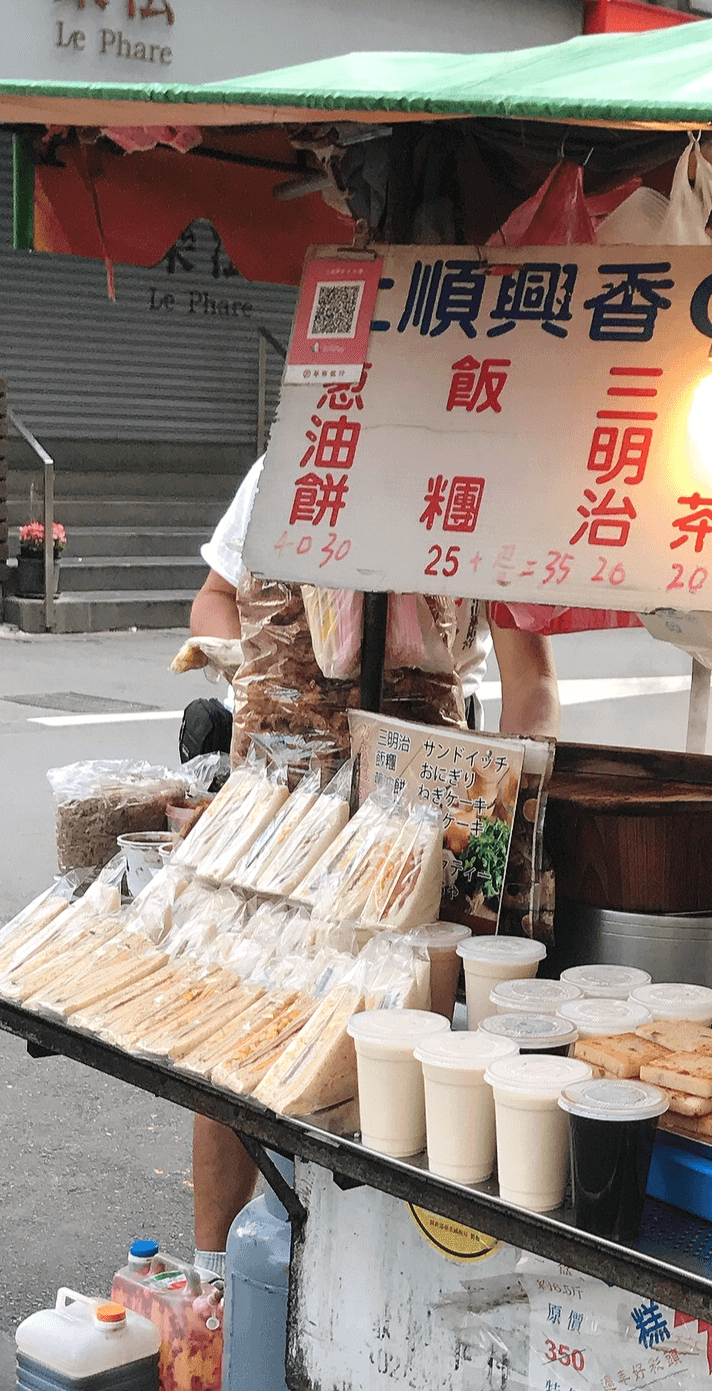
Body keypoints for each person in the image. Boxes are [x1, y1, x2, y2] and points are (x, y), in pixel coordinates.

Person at [181, 457, 561, 1259]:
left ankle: (357, 1269)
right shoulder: (287, 469)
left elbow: (532, 682)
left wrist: (511, 806)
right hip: (279, 779)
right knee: (235, 1013)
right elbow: (216, 594)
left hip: (421, 793)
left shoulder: (479, 483)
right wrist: (230, 653)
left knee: (391, 1028)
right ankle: (216, 1268)